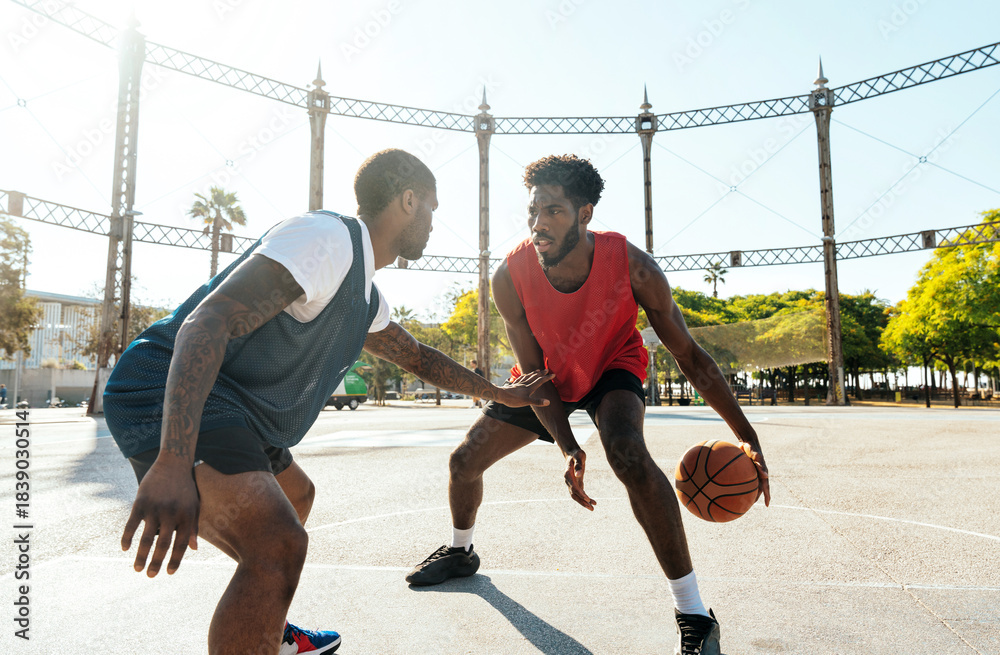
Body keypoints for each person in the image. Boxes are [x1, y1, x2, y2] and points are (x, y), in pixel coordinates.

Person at [102, 149, 553, 655]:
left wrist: (499, 393)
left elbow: (419, 359)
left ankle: (270, 629)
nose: (432, 222)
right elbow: (207, 323)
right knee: (278, 545)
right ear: (408, 200)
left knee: (297, 499)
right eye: (431, 206)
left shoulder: (363, 292)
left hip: (241, 415)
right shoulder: (327, 240)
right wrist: (172, 459)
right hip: (166, 387)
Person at [405, 154, 770, 655]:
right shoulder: (510, 276)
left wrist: (746, 435)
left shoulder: (633, 267)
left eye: (553, 211)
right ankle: (461, 551)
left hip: (611, 366)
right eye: (534, 211)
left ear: (585, 214)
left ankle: (694, 614)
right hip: (548, 378)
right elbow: (534, 378)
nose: (539, 224)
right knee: (464, 461)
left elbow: (690, 356)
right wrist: (567, 445)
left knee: (626, 452)